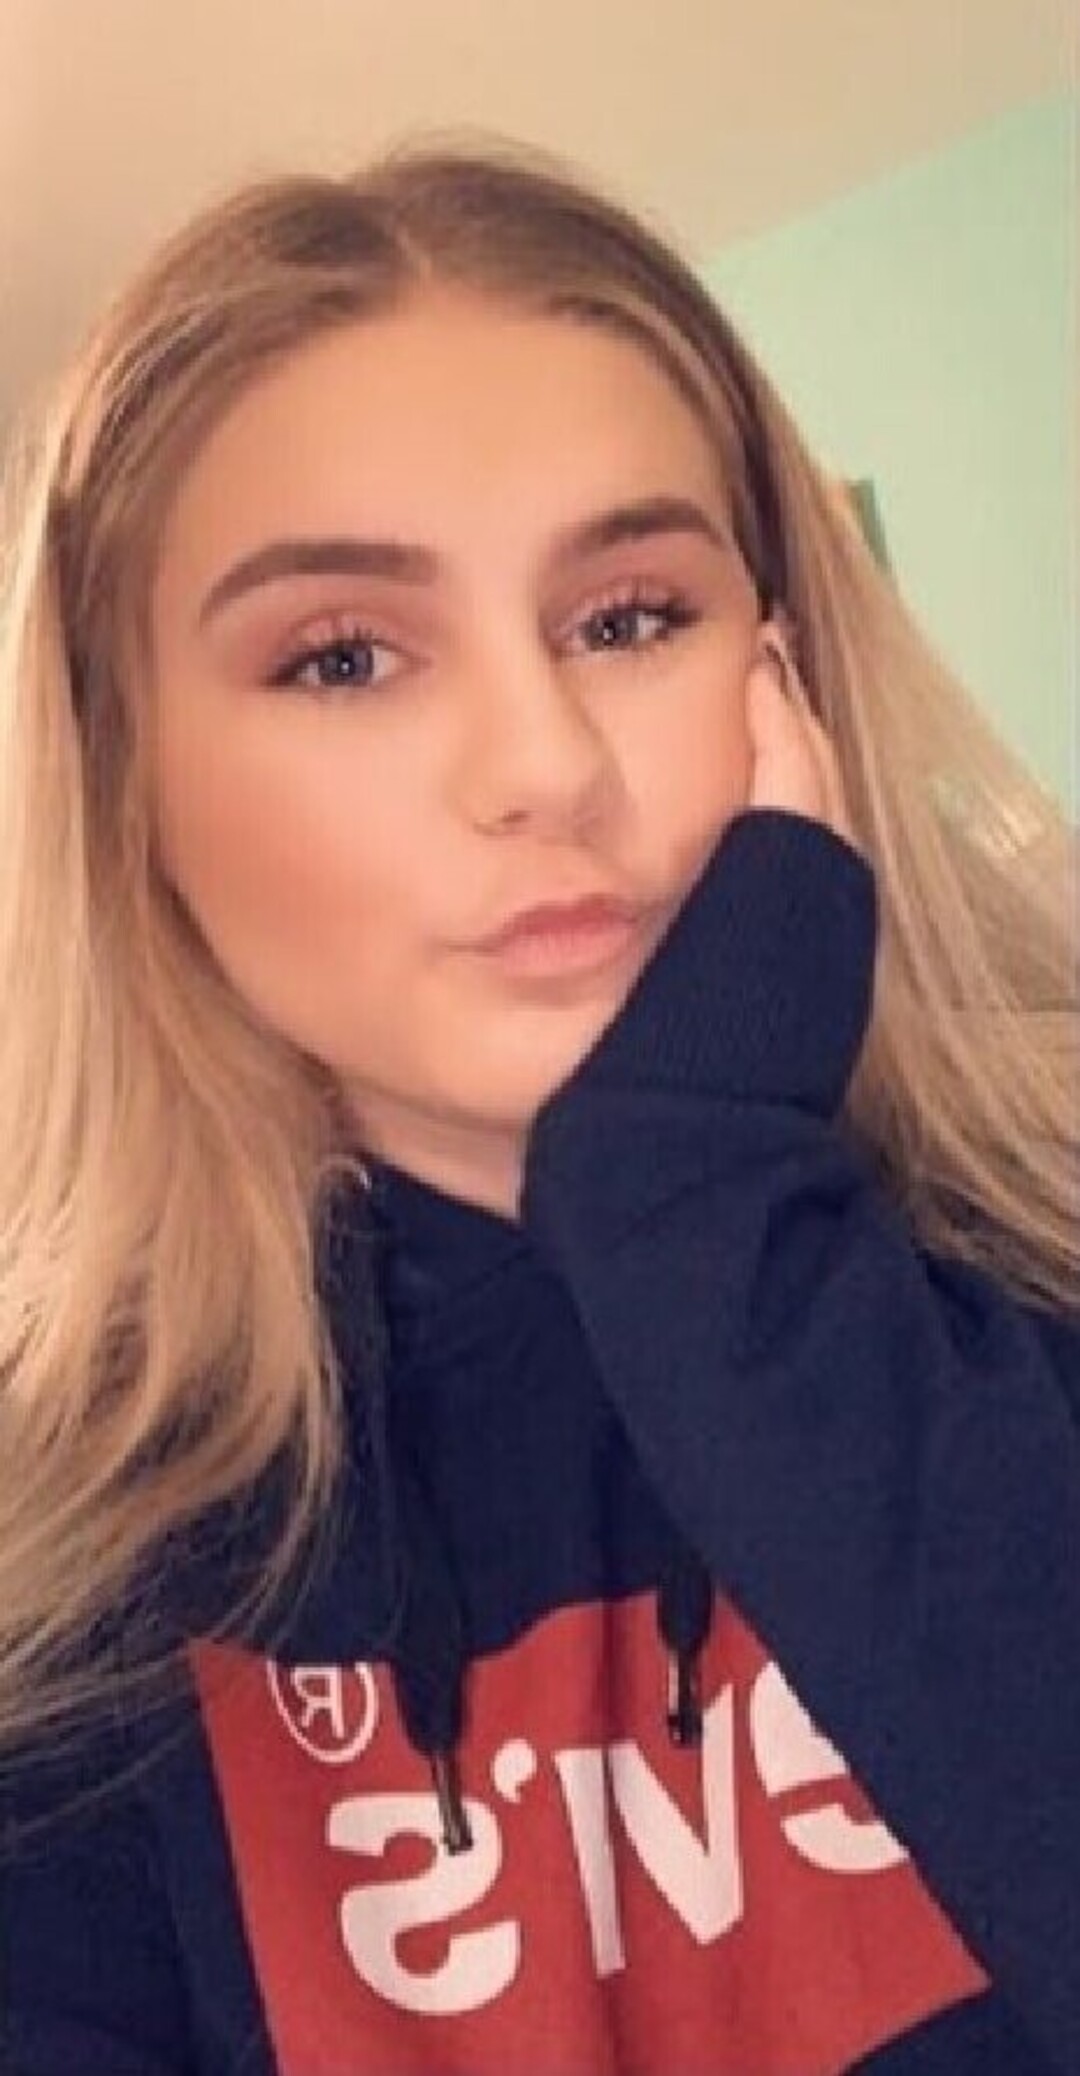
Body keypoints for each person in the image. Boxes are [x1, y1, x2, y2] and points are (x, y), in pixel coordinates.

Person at [0, 131, 1076, 2076]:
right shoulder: (58, 1584)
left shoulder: (1042, 1282)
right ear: (127, 784)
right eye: (344, 656)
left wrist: (711, 1218)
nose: (545, 764)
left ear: (787, 677)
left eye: (629, 618)